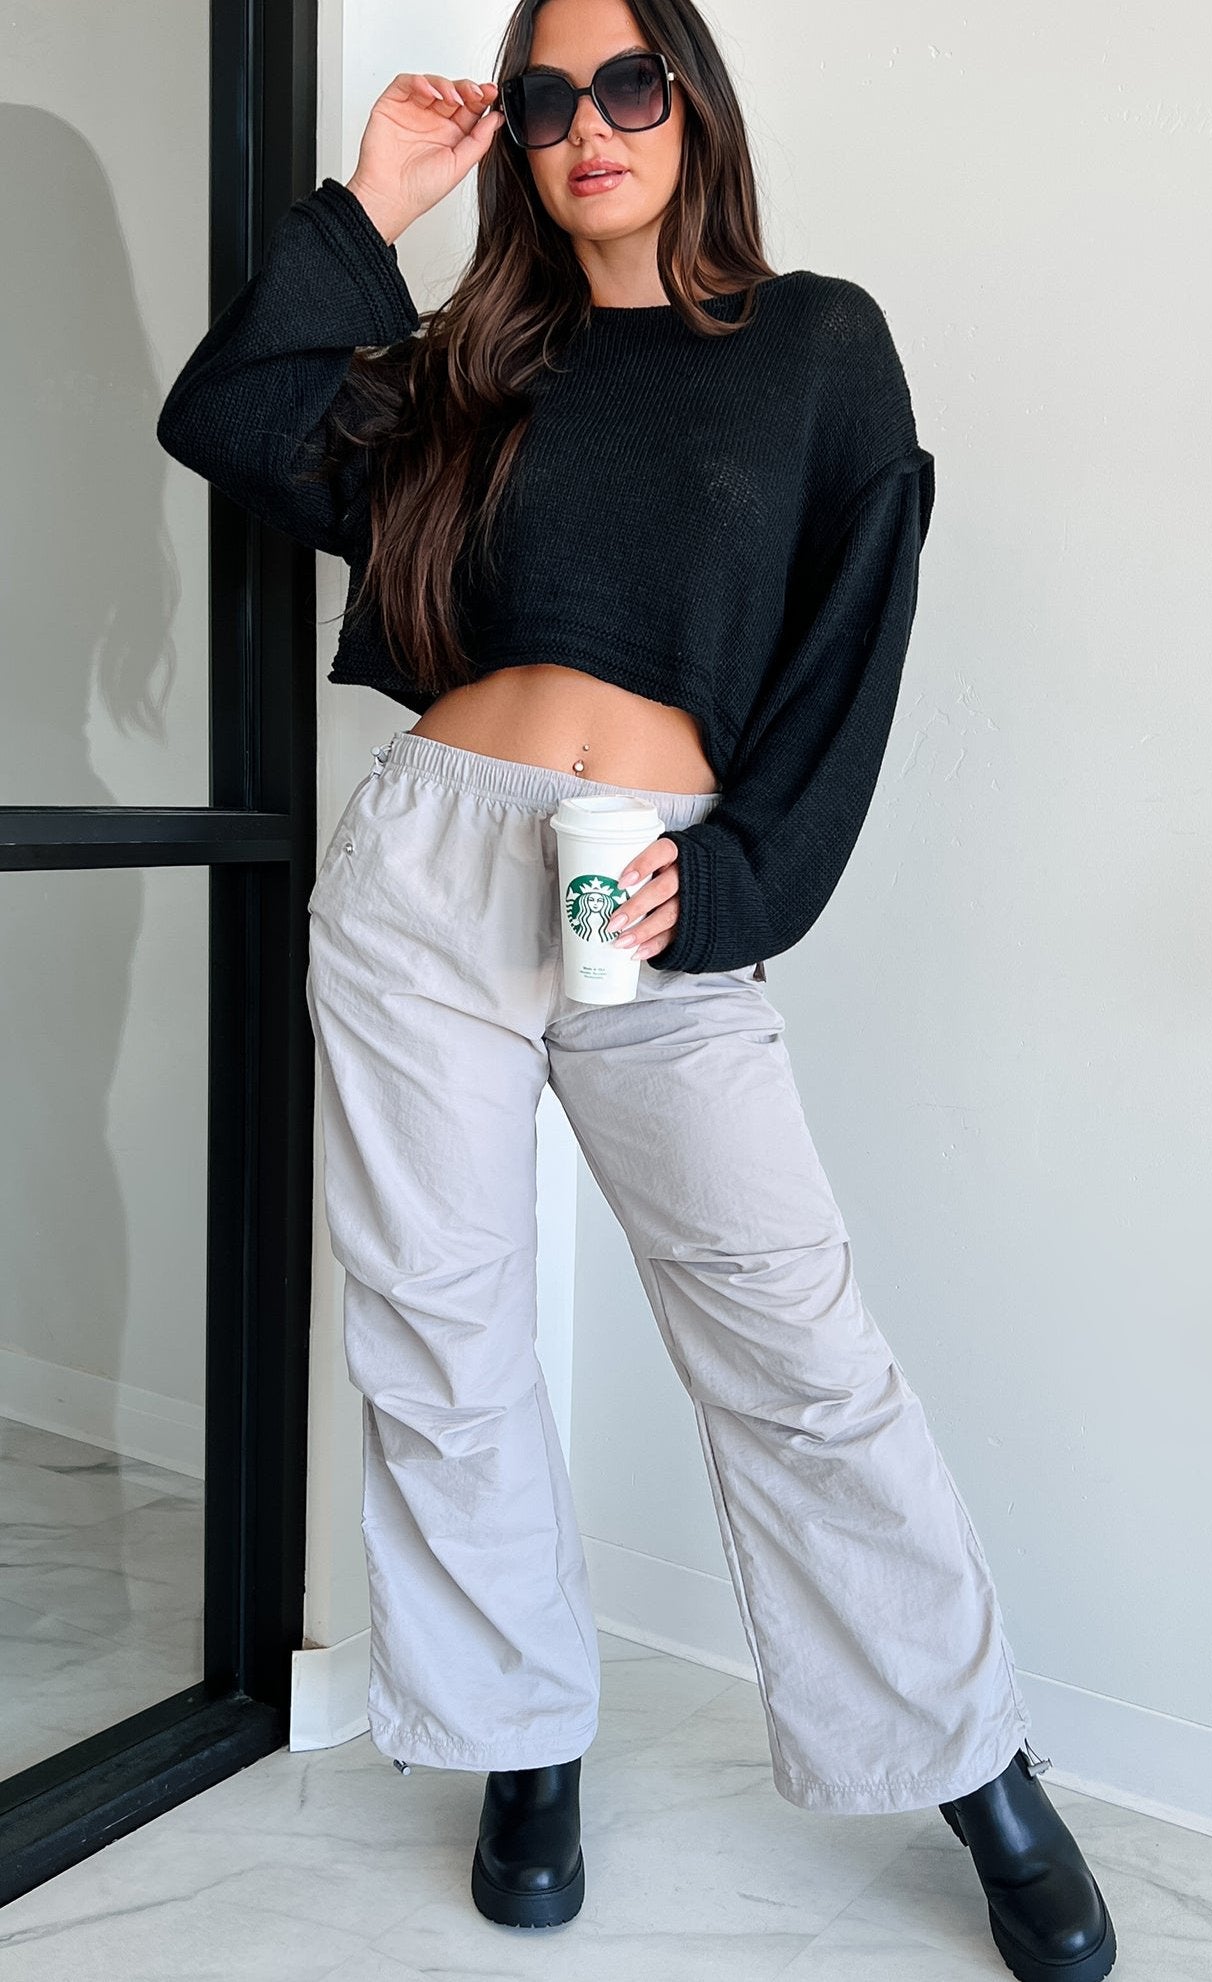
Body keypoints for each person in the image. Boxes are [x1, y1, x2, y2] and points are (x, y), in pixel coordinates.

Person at [157, 2, 1116, 1975]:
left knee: (794, 1346)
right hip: (428, 871)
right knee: (441, 1334)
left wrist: (742, 881)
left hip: (655, 886)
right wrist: (371, 201)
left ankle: (973, 1762)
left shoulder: (814, 348)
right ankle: (522, 1739)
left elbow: (855, 637)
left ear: (691, 100)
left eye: (626, 81)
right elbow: (229, 415)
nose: (588, 122)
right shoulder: (469, 367)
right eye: (543, 96)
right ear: (511, 135)